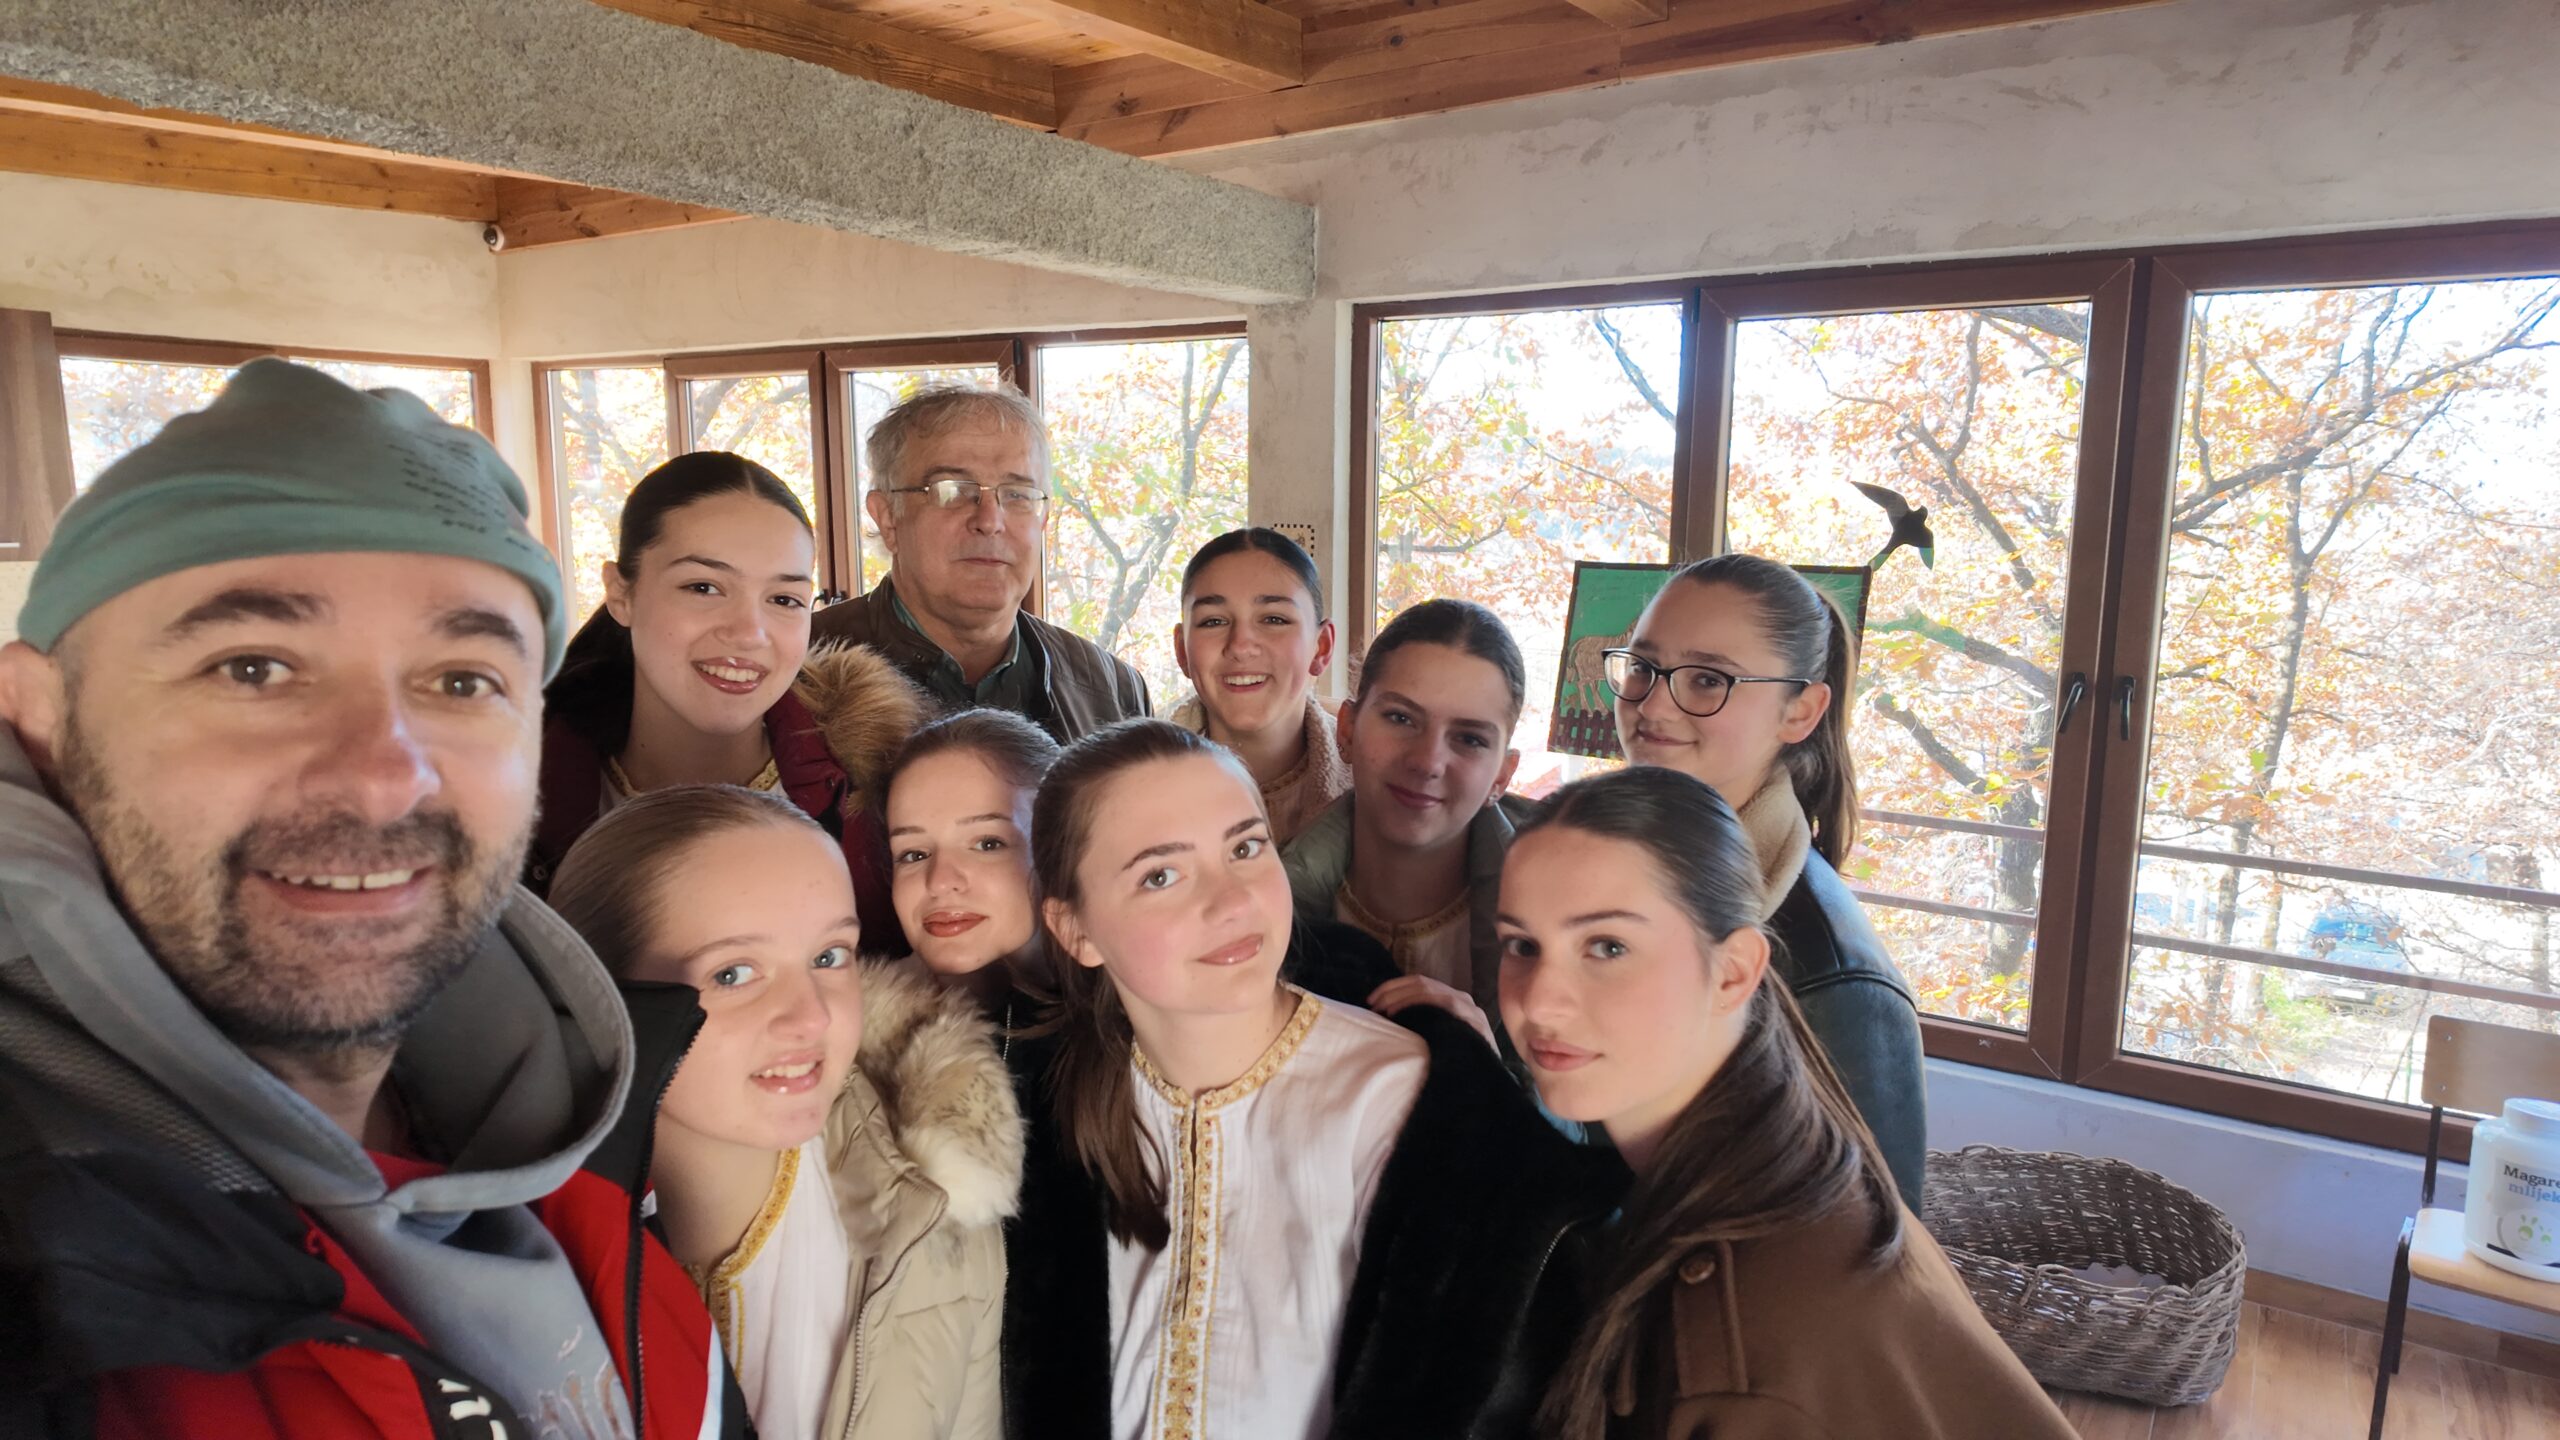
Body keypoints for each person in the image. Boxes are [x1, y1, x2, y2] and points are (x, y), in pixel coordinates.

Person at [0, 360, 739, 1439]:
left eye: (463, 681)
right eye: (253, 668)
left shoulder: (587, 1154)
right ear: (39, 716)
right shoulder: (38, 1275)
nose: (384, 777)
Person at [1002, 720, 1622, 1440]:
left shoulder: (1406, 1103)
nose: (1232, 902)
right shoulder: (1046, 1122)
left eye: (1245, 847)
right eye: (1161, 875)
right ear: (1074, 930)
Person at [1498, 767, 2073, 1438]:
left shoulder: (1745, 1357)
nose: (1540, 1001)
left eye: (1607, 947)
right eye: (1522, 945)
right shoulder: (1780, 1123)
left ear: (1734, 971)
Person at [550, 785, 1020, 1440]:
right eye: (733, 973)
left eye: (829, 957)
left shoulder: (941, 1213)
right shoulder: (500, 1251)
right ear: (598, 997)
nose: (812, 1017)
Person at [1607, 552, 1928, 1211]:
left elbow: (1876, 1245)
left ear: (1800, 712)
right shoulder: (1608, 876)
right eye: (1642, 667)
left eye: (1707, 680)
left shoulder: (1834, 981)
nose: (1653, 704)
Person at [527, 451, 927, 951]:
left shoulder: (888, 791)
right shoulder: (506, 800)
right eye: (704, 587)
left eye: (783, 599)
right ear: (621, 594)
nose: (749, 633)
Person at [811, 385, 1148, 742]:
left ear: (1043, 521)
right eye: (953, 491)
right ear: (888, 518)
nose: (990, 521)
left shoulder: (1113, 692)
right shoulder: (798, 674)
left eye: (1017, 494)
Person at [1284, 598, 1531, 1050]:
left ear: (1502, 775)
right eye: (1400, 718)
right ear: (1347, 730)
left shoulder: (1563, 928)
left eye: (1470, 738)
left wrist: (1489, 1069)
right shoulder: (1265, 903)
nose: (1427, 762)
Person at [881, 706, 1062, 1038]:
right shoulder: (853, 1039)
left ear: (1059, 850)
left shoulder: (1136, 1021)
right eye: (914, 854)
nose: (939, 881)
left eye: (987, 844)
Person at [1167, 527, 1347, 845]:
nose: (1241, 646)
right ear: (1182, 650)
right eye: (1213, 621)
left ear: (1321, 647)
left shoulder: (1374, 790)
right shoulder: (1133, 792)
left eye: (1274, 619)